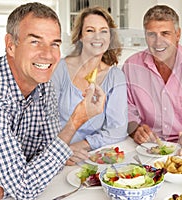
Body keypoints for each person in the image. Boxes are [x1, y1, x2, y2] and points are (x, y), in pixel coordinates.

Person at [0, 2, 105, 199]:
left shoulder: (43, 85)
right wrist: (76, 120)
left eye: (55, 43)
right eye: (35, 41)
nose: (48, 54)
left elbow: (46, 154)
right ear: (11, 45)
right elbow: (25, 188)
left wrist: (2, 186)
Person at [122, 5, 182, 145]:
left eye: (165, 33)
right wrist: (135, 130)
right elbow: (126, 108)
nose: (158, 42)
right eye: (151, 34)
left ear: (177, 34)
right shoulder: (130, 66)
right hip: (147, 146)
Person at [51, 6, 128, 165]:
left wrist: (79, 146)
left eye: (104, 31)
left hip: (91, 157)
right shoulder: (59, 69)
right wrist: (61, 150)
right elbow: (43, 119)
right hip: (52, 156)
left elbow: (117, 129)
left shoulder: (115, 77)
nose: (97, 37)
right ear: (80, 36)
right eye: (90, 30)